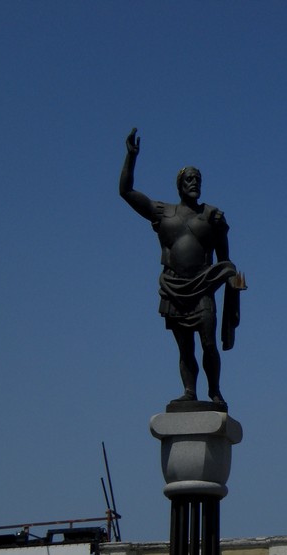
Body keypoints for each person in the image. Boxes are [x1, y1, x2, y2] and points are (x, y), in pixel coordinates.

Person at [119, 128, 245, 407]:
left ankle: (214, 391)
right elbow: (125, 192)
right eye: (189, 179)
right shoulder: (163, 212)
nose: (194, 183)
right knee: (184, 347)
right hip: (174, 286)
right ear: (179, 185)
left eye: (198, 179)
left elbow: (226, 260)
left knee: (208, 343)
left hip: (202, 287)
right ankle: (189, 391)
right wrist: (131, 157)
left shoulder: (211, 217)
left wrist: (232, 282)